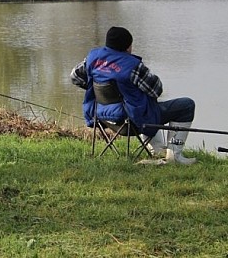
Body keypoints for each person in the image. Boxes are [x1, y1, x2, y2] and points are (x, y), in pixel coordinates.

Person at [70, 26, 197, 165]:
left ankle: (157, 148)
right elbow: (156, 89)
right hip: (131, 122)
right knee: (186, 105)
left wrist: (99, 88)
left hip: (101, 117)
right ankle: (175, 156)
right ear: (127, 47)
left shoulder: (92, 58)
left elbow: (75, 77)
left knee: (141, 102)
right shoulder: (132, 65)